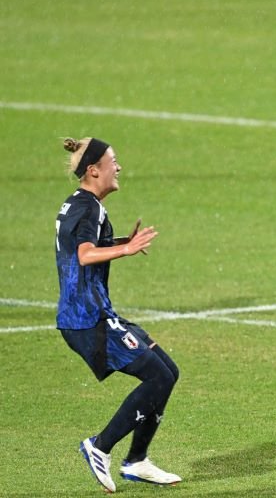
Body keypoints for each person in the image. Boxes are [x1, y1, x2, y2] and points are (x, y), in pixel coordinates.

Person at [55, 137, 181, 493]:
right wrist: (125, 248)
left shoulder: (79, 205)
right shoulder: (90, 208)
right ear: (94, 170)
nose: (119, 167)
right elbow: (82, 254)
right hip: (88, 319)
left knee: (167, 371)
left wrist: (120, 240)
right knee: (157, 376)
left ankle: (137, 460)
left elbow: (80, 246)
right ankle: (100, 446)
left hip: (94, 314)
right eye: (114, 162)